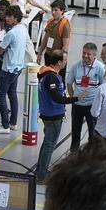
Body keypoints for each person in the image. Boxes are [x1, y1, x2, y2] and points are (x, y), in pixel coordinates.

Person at [34, 48, 74, 180]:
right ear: (58, 62)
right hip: (53, 116)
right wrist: (74, 99)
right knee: (49, 145)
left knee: (47, 143)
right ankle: (42, 175)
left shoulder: (45, 73)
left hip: (47, 114)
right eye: (64, 61)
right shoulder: (51, 77)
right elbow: (56, 97)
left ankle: (41, 169)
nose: (65, 63)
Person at [0, 9, 29, 133]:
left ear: (16, 18)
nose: (6, 19)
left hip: (8, 69)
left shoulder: (11, 33)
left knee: (0, 96)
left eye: (9, 17)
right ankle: (13, 122)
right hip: (18, 67)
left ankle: (5, 126)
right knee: (12, 94)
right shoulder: (23, 29)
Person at [67, 41, 104, 153]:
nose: (85, 56)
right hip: (77, 106)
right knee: (75, 132)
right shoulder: (75, 66)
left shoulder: (100, 68)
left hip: (92, 107)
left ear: (94, 56)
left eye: (88, 54)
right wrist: (73, 97)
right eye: (84, 53)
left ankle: (91, 157)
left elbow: (103, 86)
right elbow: (69, 83)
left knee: (93, 133)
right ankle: (73, 156)